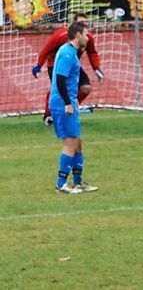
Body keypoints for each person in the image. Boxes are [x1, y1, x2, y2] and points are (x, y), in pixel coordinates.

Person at [49, 21, 98, 194]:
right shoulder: (68, 53)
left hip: (67, 101)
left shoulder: (70, 52)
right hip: (63, 104)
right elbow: (60, 79)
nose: (88, 37)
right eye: (86, 34)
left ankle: (78, 182)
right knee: (70, 143)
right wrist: (68, 103)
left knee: (77, 142)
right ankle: (61, 184)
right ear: (77, 35)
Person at [33, 13, 103, 125]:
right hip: (55, 64)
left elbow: (92, 52)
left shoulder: (87, 37)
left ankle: (72, 106)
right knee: (59, 89)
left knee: (86, 88)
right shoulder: (60, 35)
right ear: (74, 25)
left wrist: (96, 68)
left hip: (73, 65)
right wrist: (38, 65)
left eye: (86, 23)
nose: (84, 26)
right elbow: (47, 49)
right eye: (81, 23)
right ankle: (48, 115)